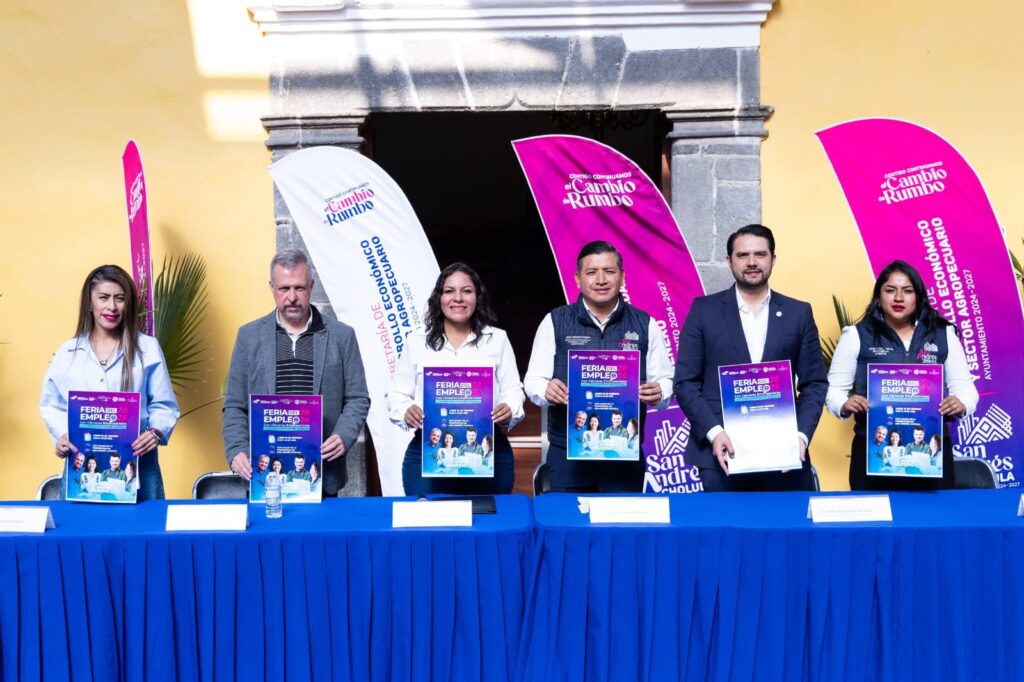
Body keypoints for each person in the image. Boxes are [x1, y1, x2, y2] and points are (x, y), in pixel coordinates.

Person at [673, 225, 827, 492]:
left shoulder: (798, 313)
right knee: (723, 534)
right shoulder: (703, 311)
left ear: (773, 259)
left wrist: (800, 436)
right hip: (720, 454)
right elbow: (685, 383)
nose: (752, 262)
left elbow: (814, 383)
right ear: (729, 261)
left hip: (784, 457)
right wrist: (713, 433)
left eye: (760, 254)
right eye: (743, 255)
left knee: (785, 533)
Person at [525, 241, 673, 492]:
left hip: (624, 452)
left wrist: (660, 392)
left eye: (610, 271)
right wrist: (546, 390)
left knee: (620, 528)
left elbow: (666, 380)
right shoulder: (555, 321)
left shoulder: (645, 324)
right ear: (578, 279)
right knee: (568, 527)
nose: (601, 279)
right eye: (591, 272)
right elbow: (532, 380)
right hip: (568, 452)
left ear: (622, 276)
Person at [223, 250, 370, 497]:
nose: (292, 297)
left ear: (311, 286)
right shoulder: (248, 337)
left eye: (300, 288)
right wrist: (237, 449)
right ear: (271, 287)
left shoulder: (342, 336)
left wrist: (343, 436)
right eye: (284, 289)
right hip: (264, 475)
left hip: (322, 474)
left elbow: (358, 398)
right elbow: (235, 404)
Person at [826, 260, 978, 490]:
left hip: (932, 453)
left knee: (933, 522)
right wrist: (845, 404)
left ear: (918, 297)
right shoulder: (856, 336)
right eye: (890, 290)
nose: (898, 298)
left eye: (907, 291)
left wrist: (961, 403)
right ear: (878, 297)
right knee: (876, 525)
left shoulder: (943, 334)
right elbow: (833, 390)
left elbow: (967, 391)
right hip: (873, 452)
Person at [40, 265, 179, 500]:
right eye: (103, 298)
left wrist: (155, 432)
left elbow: (164, 404)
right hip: (83, 462)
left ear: (129, 304)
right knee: (82, 533)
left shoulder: (148, 348)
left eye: (119, 298)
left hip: (139, 466)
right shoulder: (68, 352)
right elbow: (52, 405)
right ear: (89, 302)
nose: (111, 307)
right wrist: (63, 436)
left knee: (143, 533)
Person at [387, 262, 525, 495]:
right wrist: (406, 409)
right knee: (428, 525)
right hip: (428, 452)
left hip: (488, 451)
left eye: (467, 291)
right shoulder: (417, 342)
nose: (458, 298)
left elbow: (513, 389)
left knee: (489, 526)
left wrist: (509, 407)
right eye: (449, 291)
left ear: (477, 297)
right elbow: (397, 393)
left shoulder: (498, 339)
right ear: (439, 298)